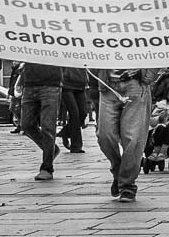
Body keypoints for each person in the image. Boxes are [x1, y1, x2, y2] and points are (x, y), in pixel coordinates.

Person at [95, 67, 160, 202]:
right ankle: (119, 171)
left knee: (133, 138)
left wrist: (149, 75)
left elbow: (161, 50)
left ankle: (127, 184)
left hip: (136, 84)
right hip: (108, 85)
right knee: (104, 135)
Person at [15, 60, 69, 182]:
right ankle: (51, 150)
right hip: (29, 83)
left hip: (51, 84)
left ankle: (47, 167)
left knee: (48, 126)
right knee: (26, 124)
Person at [57, 68, 89, 153]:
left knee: (83, 113)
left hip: (80, 83)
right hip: (66, 83)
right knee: (74, 114)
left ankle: (65, 132)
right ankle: (76, 146)